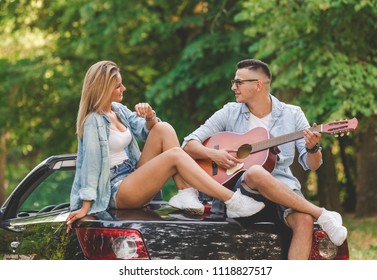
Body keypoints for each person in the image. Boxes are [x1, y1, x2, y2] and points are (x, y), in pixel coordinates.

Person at [66, 60, 264, 232]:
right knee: (176, 155)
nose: (123, 88)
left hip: (132, 175)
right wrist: (85, 207)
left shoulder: (117, 110)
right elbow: (91, 166)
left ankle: (185, 193)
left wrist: (150, 116)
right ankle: (232, 200)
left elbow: (146, 131)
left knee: (164, 128)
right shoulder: (93, 121)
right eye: (118, 86)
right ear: (103, 89)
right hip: (117, 190)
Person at [182, 59, 348, 259]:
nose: (233, 87)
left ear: (258, 85)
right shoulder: (229, 112)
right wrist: (214, 155)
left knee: (304, 220)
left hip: (284, 189)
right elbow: (189, 143)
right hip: (242, 193)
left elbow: (312, 165)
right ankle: (322, 214)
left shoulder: (292, 114)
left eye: (238, 82)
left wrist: (313, 147)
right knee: (254, 172)